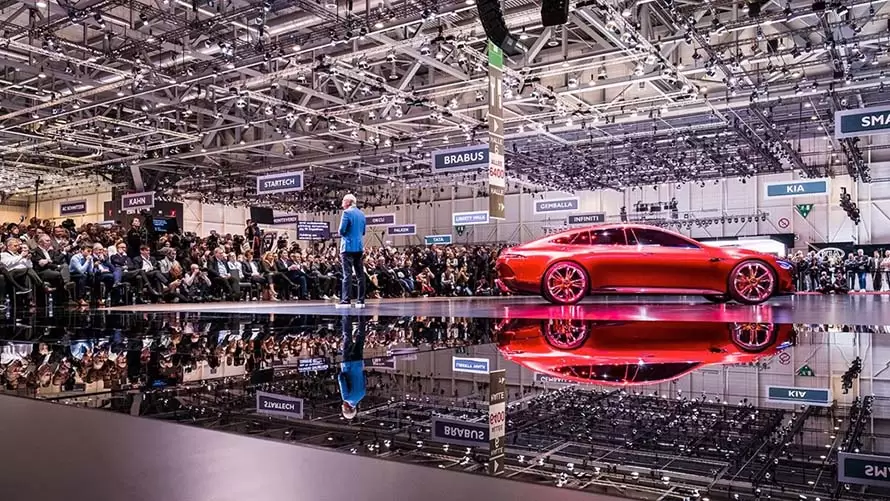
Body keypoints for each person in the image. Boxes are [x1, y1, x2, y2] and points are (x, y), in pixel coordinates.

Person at [337, 193, 367, 308]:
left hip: (348, 247)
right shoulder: (362, 214)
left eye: (343, 201)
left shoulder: (346, 213)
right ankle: (361, 300)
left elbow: (341, 230)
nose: (342, 203)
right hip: (358, 247)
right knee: (360, 275)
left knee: (347, 274)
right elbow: (363, 232)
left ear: (348, 202)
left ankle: (346, 300)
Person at [338, 316, 366, 420]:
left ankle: (362, 316)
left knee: (360, 338)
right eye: (343, 408)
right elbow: (341, 379)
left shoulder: (362, 395)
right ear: (347, 408)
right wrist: (340, 373)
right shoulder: (346, 398)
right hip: (347, 365)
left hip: (358, 364)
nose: (342, 406)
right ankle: (346, 316)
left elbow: (364, 376)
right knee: (347, 337)